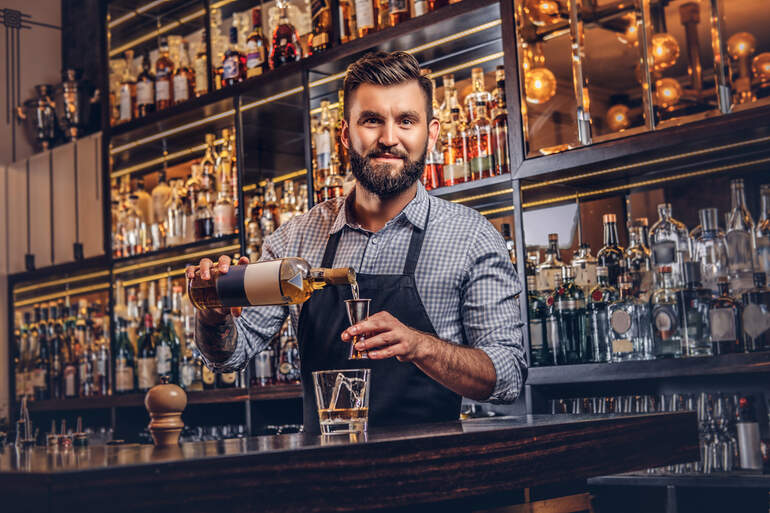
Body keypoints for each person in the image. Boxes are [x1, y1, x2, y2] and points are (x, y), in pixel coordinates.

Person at [186, 51, 527, 433]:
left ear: (430, 135)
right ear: (345, 134)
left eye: (406, 121)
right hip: (326, 479)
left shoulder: (471, 237)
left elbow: (508, 377)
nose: (388, 138)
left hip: (433, 475)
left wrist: (422, 347)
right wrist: (213, 315)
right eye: (372, 121)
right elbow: (229, 356)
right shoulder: (295, 239)